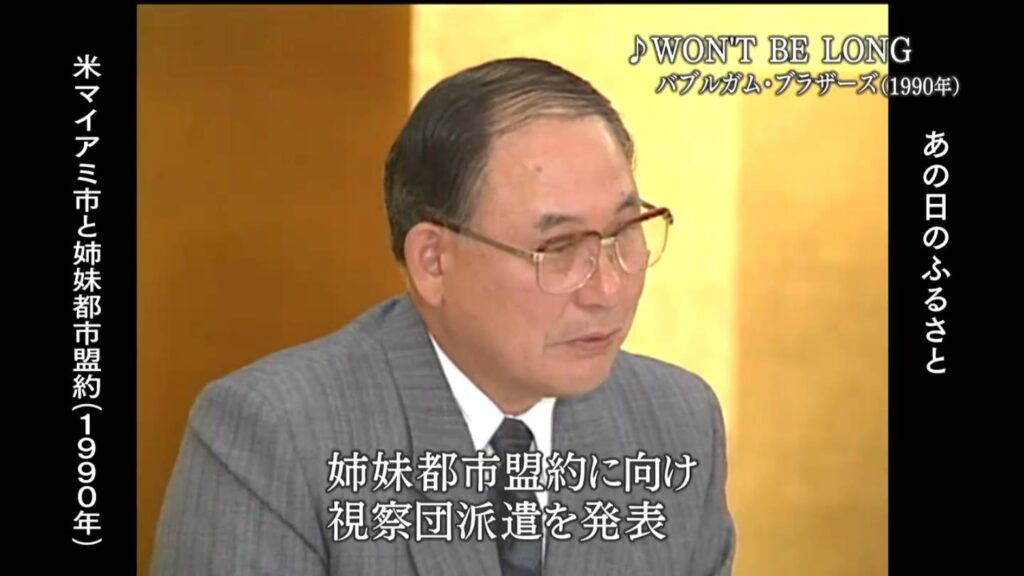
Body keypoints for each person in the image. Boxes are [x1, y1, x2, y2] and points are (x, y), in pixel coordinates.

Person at [151, 56, 735, 576]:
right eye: (558, 248)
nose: (607, 288)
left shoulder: (676, 421)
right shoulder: (275, 436)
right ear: (433, 262)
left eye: (625, 232)